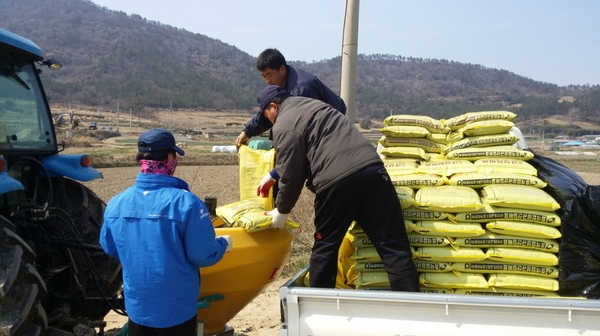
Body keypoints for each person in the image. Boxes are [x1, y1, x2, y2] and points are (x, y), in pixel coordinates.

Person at [257, 85, 420, 291]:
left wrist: (281, 211)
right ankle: (413, 309)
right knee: (394, 248)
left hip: (336, 182)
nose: (269, 120)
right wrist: (273, 174)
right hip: (373, 171)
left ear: (273, 106)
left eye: (266, 114)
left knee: (325, 249)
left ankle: (317, 308)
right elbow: (313, 146)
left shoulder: (284, 123)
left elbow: (292, 172)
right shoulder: (315, 106)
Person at [99, 128, 232, 336]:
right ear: (170, 157)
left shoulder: (116, 203)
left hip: (137, 307)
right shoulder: (186, 203)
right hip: (176, 310)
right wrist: (224, 244)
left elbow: (109, 246)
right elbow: (203, 255)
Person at [237, 48, 348, 199]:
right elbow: (267, 111)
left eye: (269, 75)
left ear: (282, 69)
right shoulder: (278, 88)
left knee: (316, 176)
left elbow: (303, 131)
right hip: (316, 131)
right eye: (263, 76)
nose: (267, 80)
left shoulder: (301, 89)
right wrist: (247, 131)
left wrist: (281, 168)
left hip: (332, 131)